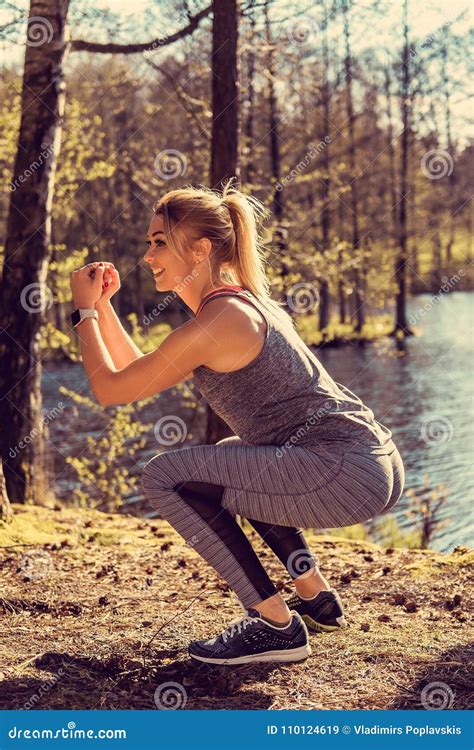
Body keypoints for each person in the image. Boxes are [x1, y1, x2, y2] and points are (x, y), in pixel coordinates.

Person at [70, 178, 404, 666]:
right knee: (231, 456)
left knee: (166, 476)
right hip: (368, 463)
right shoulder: (234, 304)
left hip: (346, 472)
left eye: (159, 242)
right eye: (149, 242)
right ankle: (315, 598)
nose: (148, 255)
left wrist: (81, 312)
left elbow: (108, 389)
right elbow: (134, 373)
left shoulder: (220, 320)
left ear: (201, 248)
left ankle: (274, 626)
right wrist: (101, 307)